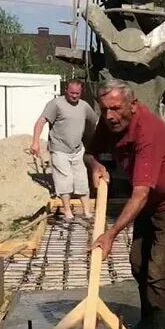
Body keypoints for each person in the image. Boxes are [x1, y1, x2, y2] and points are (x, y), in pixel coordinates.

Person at [85, 79, 165, 329]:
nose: (109, 116)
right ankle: (148, 320)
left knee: (160, 272)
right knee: (138, 263)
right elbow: (89, 152)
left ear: (132, 105)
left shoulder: (148, 131)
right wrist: (94, 163)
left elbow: (140, 194)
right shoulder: (109, 122)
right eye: (104, 109)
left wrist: (110, 233)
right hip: (148, 202)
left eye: (115, 108)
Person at [31, 79, 97, 222]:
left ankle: (87, 212)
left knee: (81, 180)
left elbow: (94, 122)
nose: (74, 96)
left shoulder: (84, 106)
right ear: (65, 90)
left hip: (77, 150)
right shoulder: (56, 104)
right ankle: (68, 212)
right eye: (72, 93)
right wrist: (35, 142)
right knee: (65, 181)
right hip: (59, 149)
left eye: (77, 93)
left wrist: (91, 138)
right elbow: (41, 122)